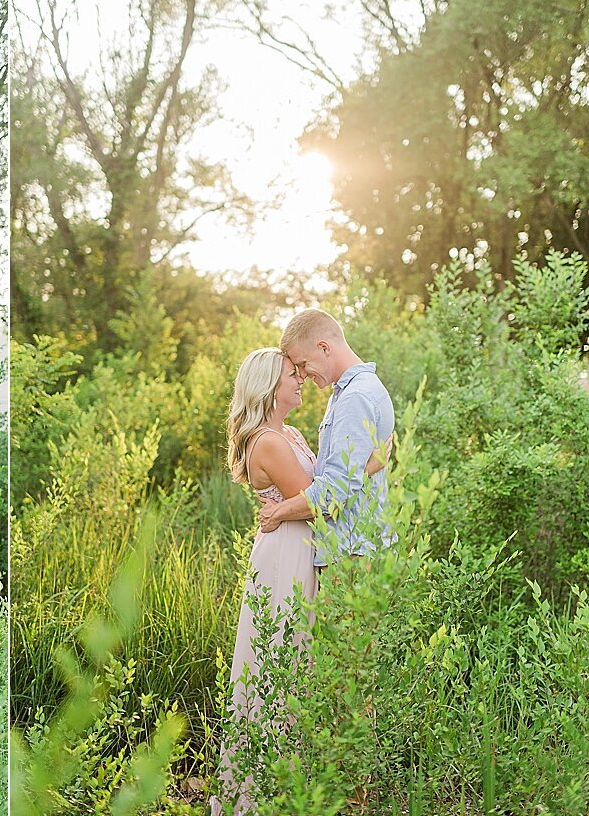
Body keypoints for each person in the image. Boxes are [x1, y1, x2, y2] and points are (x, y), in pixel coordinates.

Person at [213, 346, 387, 815]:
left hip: (303, 548)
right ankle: (261, 795)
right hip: (286, 555)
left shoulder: (285, 432)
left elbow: (323, 486)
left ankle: (297, 790)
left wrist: (352, 469)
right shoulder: (267, 443)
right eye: (293, 374)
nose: (301, 380)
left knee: (301, 669)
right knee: (280, 667)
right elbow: (317, 500)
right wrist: (370, 464)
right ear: (270, 387)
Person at [258, 308, 397, 566]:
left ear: (324, 348)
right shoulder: (348, 393)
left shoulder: (355, 397)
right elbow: (346, 477)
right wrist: (364, 470)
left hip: (352, 554)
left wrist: (277, 512)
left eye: (302, 364)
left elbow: (336, 487)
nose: (302, 375)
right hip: (353, 550)